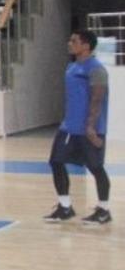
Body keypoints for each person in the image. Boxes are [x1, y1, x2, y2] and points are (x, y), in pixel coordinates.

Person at [43, 30, 111, 225]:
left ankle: (104, 210)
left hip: (89, 129)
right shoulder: (71, 67)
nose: (70, 43)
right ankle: (65, 207)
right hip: (68, 128)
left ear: (86, 46)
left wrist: (90, 126)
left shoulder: (96, 69)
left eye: (74, 41)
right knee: (56, 162)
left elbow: (97, 99)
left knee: (96, 168)